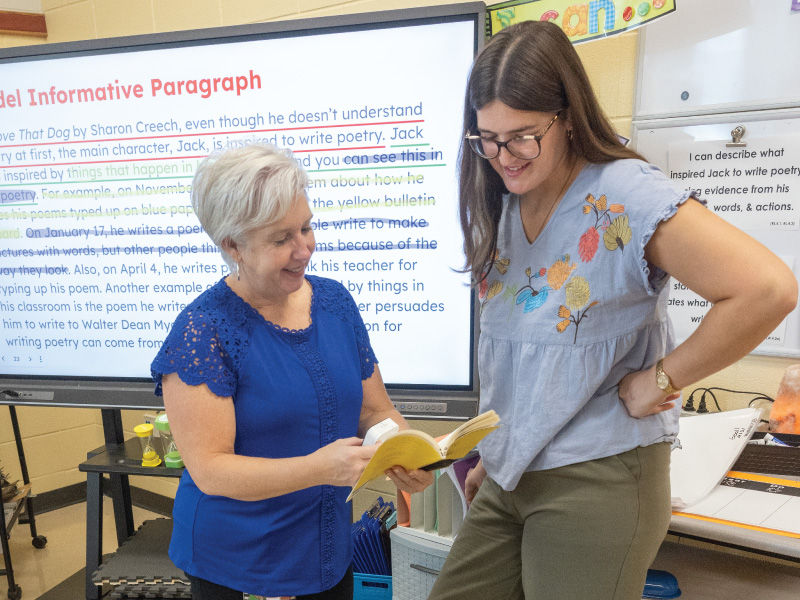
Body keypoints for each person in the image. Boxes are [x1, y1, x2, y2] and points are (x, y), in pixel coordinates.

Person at [428, 21, 798, 600]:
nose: (503, 157)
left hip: (599, 472)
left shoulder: (626, 194)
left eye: (522, 136)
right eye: (487, 138)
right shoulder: (501, 194)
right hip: (511, 469)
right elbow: (522, 352)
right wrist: (496, 454)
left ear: (568, 116)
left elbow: (767, 289)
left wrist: (662, 378)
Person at [150, 143, 432, 600]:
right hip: (240, 564)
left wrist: (407, 451)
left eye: (306, 227)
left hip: (326, 552)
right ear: (232, 245)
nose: (304, 250)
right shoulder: (203, 329)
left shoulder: (335, 302)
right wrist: (317, 469)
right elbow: (212, 471)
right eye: (281, 239)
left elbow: (375, 410)